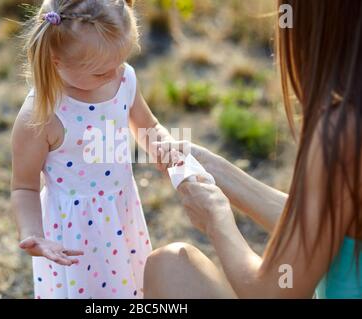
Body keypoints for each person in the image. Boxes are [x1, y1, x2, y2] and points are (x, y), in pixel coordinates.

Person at [145, 0, 362, 299]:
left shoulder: (343, 131)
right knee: (170, 264)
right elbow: (322, 221)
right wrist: (218, 170)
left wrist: (216, 220)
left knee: (171, 269)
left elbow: (275, 291)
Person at [10, 0, 173, 299]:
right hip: (73, 235)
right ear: (56, 60)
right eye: (101, 72)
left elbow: (148, 126)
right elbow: (24, 186)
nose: (114, 75)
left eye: (120, 61)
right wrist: (33, 234)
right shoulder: (43, 115)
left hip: (121, 212)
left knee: (128, 289)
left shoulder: (123, 79)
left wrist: (163, 146)